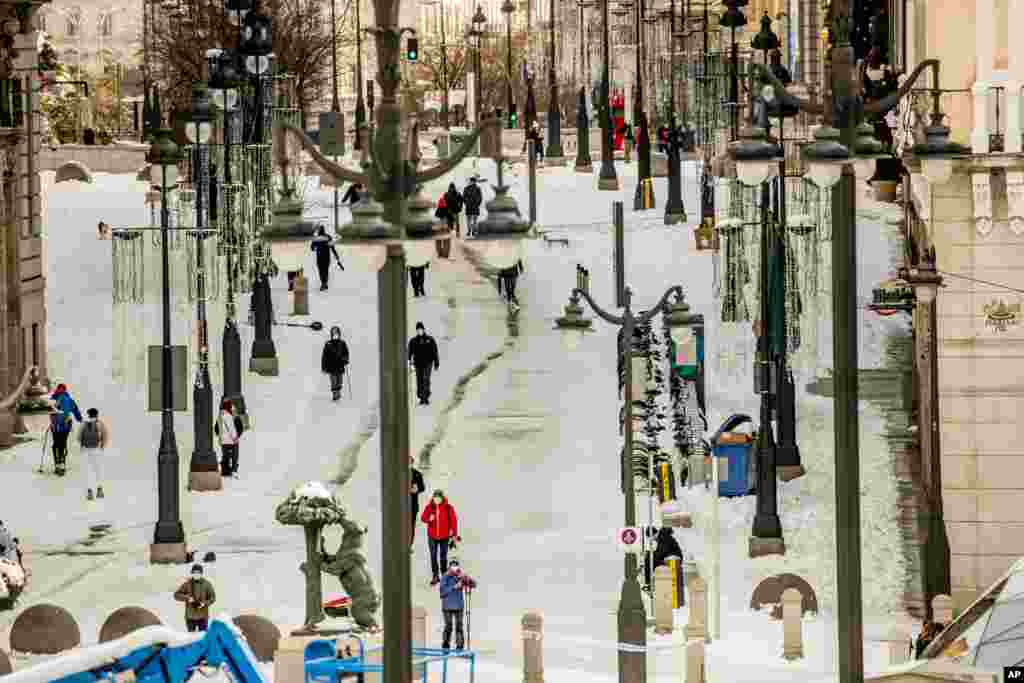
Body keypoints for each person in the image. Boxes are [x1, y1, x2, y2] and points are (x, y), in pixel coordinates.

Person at [421, 489, 459, 585]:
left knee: (443, 556)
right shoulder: (429, 507)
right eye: (435, 498)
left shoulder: (448, 508)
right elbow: (423, 518)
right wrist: (429, 518)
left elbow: (453, 521)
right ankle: (435, 575)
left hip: (444, 536)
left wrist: (454, 535)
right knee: (433, 556)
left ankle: (444, 574)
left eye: (438, 498)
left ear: (442, 498)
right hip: (432, 536)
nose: (436, 500)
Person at [439, 558, 476, 651]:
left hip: (459, 605)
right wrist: (455, 587)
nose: (454, 567)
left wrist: (466, 578)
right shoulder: (445, 577)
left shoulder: (461, 576)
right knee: (449, 625)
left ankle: (460, 646)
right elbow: (442, 592)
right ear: (450, 566)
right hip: (447, 606)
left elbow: (473, 584)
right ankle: (445, 644)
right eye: (453, 565)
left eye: (456, 565)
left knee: (459, 625)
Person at [50, 383, 82, 477]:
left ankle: (60, 464)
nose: (60, 391)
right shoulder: (55, 399)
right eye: (60, 389)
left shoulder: (63, 400)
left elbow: (75, 409)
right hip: (58, 426)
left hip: (63, 426)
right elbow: (75, 409)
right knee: (59, 444)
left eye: (62, 389)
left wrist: (79, 418)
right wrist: (79, 418)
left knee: (59, 444)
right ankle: (59, 464)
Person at [78, 407, 109, 501]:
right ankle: (99, 490)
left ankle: (89, 492)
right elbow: (105, 436)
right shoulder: (100, 424)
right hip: (96, 449)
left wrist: (83, 445)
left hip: (85, 450)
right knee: (97, 470)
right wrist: (101, 447)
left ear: (88, 414)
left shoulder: (83, 424)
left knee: (87, 471)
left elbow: (78, 437)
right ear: (97, 415)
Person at [174, 564, 217, 632]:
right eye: (194, 572)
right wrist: (187, 598)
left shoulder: (207, 584)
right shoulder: (187, 584)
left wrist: (204, 603)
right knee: (191, 638)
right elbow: (176, 595)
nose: (196, 574)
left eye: (198, 572)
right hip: (190, 616)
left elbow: (213, 597)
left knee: (202, 637)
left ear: (201, 573)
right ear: (192, 573)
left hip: (203, 616)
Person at [408, 322, 440, 406]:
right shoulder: (413, 341)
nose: (419, 331)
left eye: (420, 329)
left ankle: (426, 397)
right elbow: (409, 353)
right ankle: (421, 397)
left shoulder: (430, 340)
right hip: (418, 364)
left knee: (426, 379)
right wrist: (410, 363)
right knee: (419, 380)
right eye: (418, 330)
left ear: (423, 329)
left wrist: (436, 362)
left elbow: (434, 351)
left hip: (428, 363)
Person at [215, 399, 243, 477]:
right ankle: (234, 469)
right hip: (233, 440)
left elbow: (216, 429)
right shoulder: (233, 415)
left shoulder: (220, 416)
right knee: (234, 455)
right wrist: (237, 436)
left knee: (225, 456)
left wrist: (221, 436)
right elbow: (239, 426)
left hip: (224, 441)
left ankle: (225, 470)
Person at [321, 326, 350, 401]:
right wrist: (324, 367)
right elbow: (324, 356)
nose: (335, 335)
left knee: (339, 381)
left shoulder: (342, 343)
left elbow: (346, 353)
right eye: (333, 333)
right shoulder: (328, 344)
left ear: (339, 334)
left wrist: (346, 359)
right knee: (333, 381)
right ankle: (335, 394)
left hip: (340, 366)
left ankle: (338, 392)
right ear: (331, 334)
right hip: (331, 366)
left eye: (336, 333)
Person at [311, 225, 343, 291]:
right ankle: (324, 283)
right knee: (325, 271)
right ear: (324, 230)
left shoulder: (316, 238)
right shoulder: (328, 237)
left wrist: (315, 245)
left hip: (319, 257)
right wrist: (336, 256)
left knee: (321, 271)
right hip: (326, 257)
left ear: (319, 231)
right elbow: (332, 248)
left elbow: (312, 248)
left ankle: (323, 283)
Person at [410, 456, 425, 552]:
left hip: (412, 505)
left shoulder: (417, 474)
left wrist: (417, 489)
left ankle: (409, 545)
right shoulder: (398, 474)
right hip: (400, 506)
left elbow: (422, 487)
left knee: (411, 526)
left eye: (410, 462)